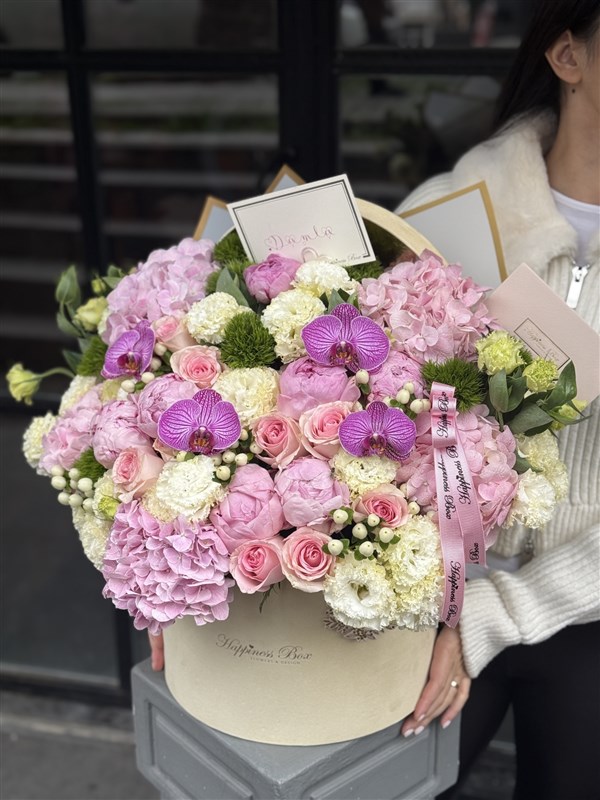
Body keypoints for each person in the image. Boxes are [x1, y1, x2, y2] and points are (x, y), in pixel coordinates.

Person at [395, 1, 600, 798]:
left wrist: (490, 620)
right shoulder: (442, 213)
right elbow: (361, 424)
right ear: (568, 57)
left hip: (584, 598)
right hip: (429, 589)